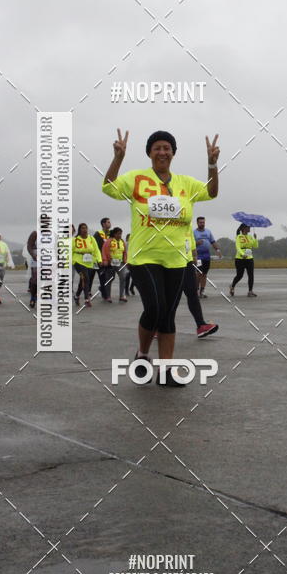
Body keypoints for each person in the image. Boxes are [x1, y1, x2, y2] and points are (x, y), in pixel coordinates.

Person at [102, 128, 219, 386]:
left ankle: (166, 372)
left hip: (177, 259)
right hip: (144, 257)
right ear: (149, 153)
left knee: (168, 315)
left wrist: (212, 164)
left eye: (167, 148)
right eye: (157, 148)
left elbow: (211, 192)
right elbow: (108, 187)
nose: (162, 152)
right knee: (154, 308)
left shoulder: (185, 184)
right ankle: (143, 355)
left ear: (173, 153)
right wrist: (118, 158)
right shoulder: (136, 179)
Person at [72, 223, 102, 307]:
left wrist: (99, 260)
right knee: (86, 278)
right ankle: (86, 299)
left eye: (86, 228)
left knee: (83, 280)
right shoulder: (75, 240)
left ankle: (77, 296)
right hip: (78, 261)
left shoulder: (91, 238)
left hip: (89, 262)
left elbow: (96, 250)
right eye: (82, 228)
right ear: (79, 230)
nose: (84, 230)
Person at [193, 216, 222, 297]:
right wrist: (196, 243)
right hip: (198, 256)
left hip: (206, 255)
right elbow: (189, 243)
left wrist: (218, 250)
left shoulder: (208, 232)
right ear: (197, 223)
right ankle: (196, 290)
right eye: (200, 222)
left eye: (203, 222)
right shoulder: (194, 232)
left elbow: (213, 242)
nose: (202, 224)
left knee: (204, 274)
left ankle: (202, 291)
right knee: (198, 273)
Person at [229, 224, 258, 297]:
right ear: (243, 228)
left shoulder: (250, 237)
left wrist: (255, 239)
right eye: (248, 227)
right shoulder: (239, 237)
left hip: (249, 257)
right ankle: (232, 286)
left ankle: (250, 291)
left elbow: (255, 246)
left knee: (251, 275)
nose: (249, 228)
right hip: (240, 258)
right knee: (239, 275)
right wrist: (242, 254)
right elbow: (238, 247)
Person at [101, 227, 128, 302]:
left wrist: (125, 260)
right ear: (114, 234)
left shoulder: (122, 241)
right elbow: (104, 251)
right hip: (111, 263)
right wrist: (105, 260)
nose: (120, 235)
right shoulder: (109, 241)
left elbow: (125, 252)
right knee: (110, 279)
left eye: (121, 234)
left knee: (123, 277)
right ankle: (108, 296)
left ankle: (122, 296)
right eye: (118, 233)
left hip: (120, 263)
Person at [94, 217, 112, 301]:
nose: (110, 223)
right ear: (103, 224)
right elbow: (95, 247)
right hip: (100, 260)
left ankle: (103, 289)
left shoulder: (111, 234)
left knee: (111, 277)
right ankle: (105, 295)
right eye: (108, 222)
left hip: (110, 260)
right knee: (102, 277)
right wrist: (99, 259)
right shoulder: (98, 234)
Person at [26, 230, 38, 308]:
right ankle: (33, 298)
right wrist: (33, 255)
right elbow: (29, 246)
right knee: (35, 280)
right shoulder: (35, 233)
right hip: (36, 259)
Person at [123, 233, 136, 297]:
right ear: (127, 238)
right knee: (127, 276)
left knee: (135, 277)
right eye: (129, 238)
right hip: (127, 261)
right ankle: (126, 290)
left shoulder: (134, 244)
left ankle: (131, 287)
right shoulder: (125, 244)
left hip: (134, 261)